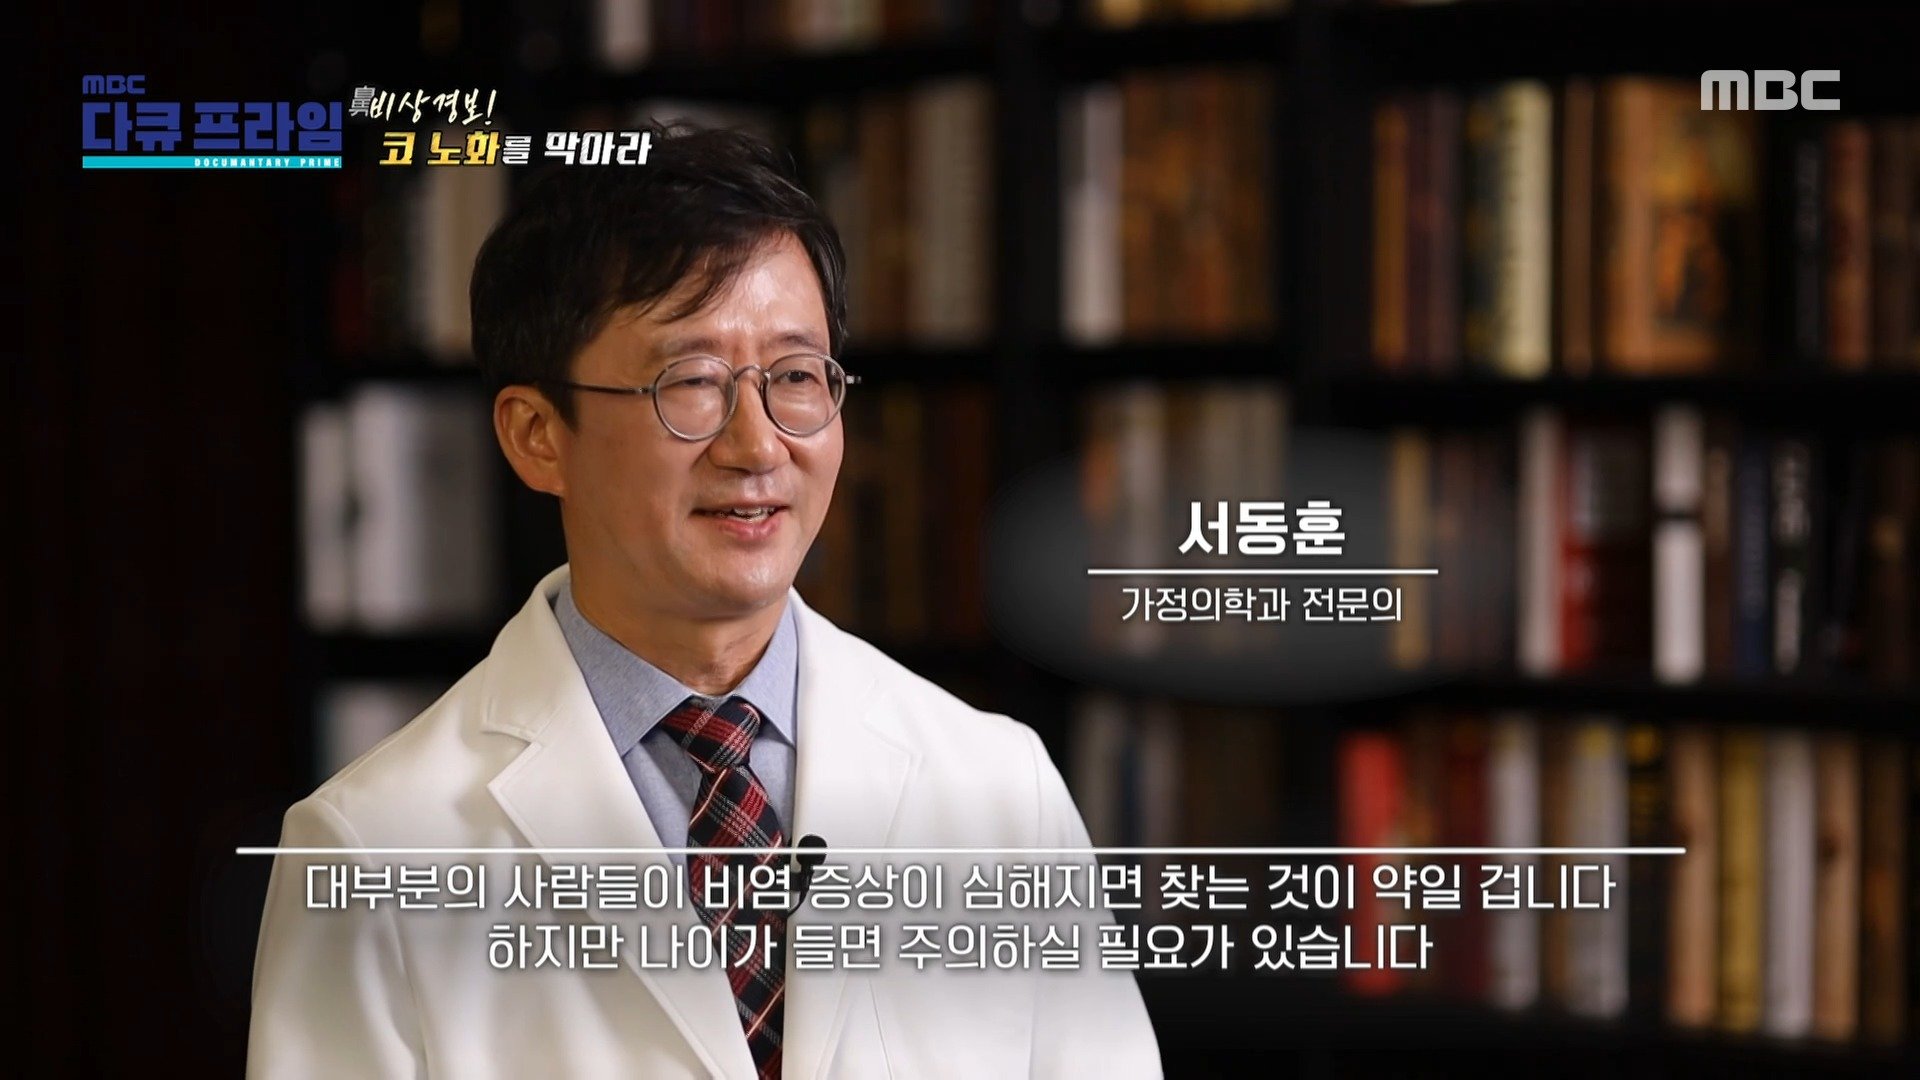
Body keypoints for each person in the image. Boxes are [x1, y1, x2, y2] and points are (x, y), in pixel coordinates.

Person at [247, 123, 1160, 1079]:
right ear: (536, 435)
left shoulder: (999, 789)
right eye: (690, 382)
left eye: (796, 377)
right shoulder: (367, 853)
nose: (757, 445)